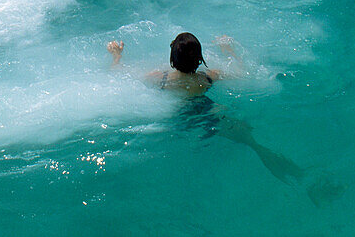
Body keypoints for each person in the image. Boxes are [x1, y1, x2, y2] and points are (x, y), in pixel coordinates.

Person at [106, 32, 340, 204]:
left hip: (181, 120)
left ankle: (300, 179)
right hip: (212, 115)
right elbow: (245, 75)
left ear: (172, 60)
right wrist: (230, 51)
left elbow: (117, 75)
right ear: (199, 59)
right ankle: (300, 177)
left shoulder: (161, 78)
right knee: (256, 146)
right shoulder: (208, 77)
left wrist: (117, 55)